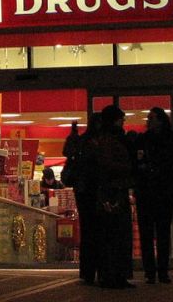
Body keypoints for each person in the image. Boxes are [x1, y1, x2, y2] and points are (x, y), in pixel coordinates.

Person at [90, 105, 135, 289]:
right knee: (116, 235)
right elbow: (108, 165)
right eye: (121, 119)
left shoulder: (105, 139)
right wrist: (128, 169)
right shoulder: (111, 140)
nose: (123, 122)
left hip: (110, 191)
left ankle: (113, 275)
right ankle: (114, 275)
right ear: (115, 120)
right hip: (113, 192)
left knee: (112, 235)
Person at [134, 107, 173, 284]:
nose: (148, 121)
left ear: (160, 120)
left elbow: (170, 163)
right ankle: (154, 271)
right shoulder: (151, 139)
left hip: (155, 190)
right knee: (152, 232)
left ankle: (159, 271)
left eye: (151, 118)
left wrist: (148, 169)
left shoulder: (158, 140)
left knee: (160, 232)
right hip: (157, 189)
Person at [64, 113, 100, 285]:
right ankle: (96, 269)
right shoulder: (95, 143)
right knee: (96, 231)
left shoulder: (80, 141)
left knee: (87, 231)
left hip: (82, 190)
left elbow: (68, 153)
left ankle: (87, 271)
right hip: (92, 190)